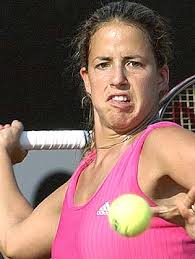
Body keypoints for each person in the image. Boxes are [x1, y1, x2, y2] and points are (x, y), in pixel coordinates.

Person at [0, 1, 194, 258]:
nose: (118, 79)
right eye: (103, 64)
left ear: (161, 78)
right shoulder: (80, 181)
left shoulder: (162, 143)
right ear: (87, 79)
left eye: (134, 63)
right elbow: (15, 242)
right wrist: (1, 155)